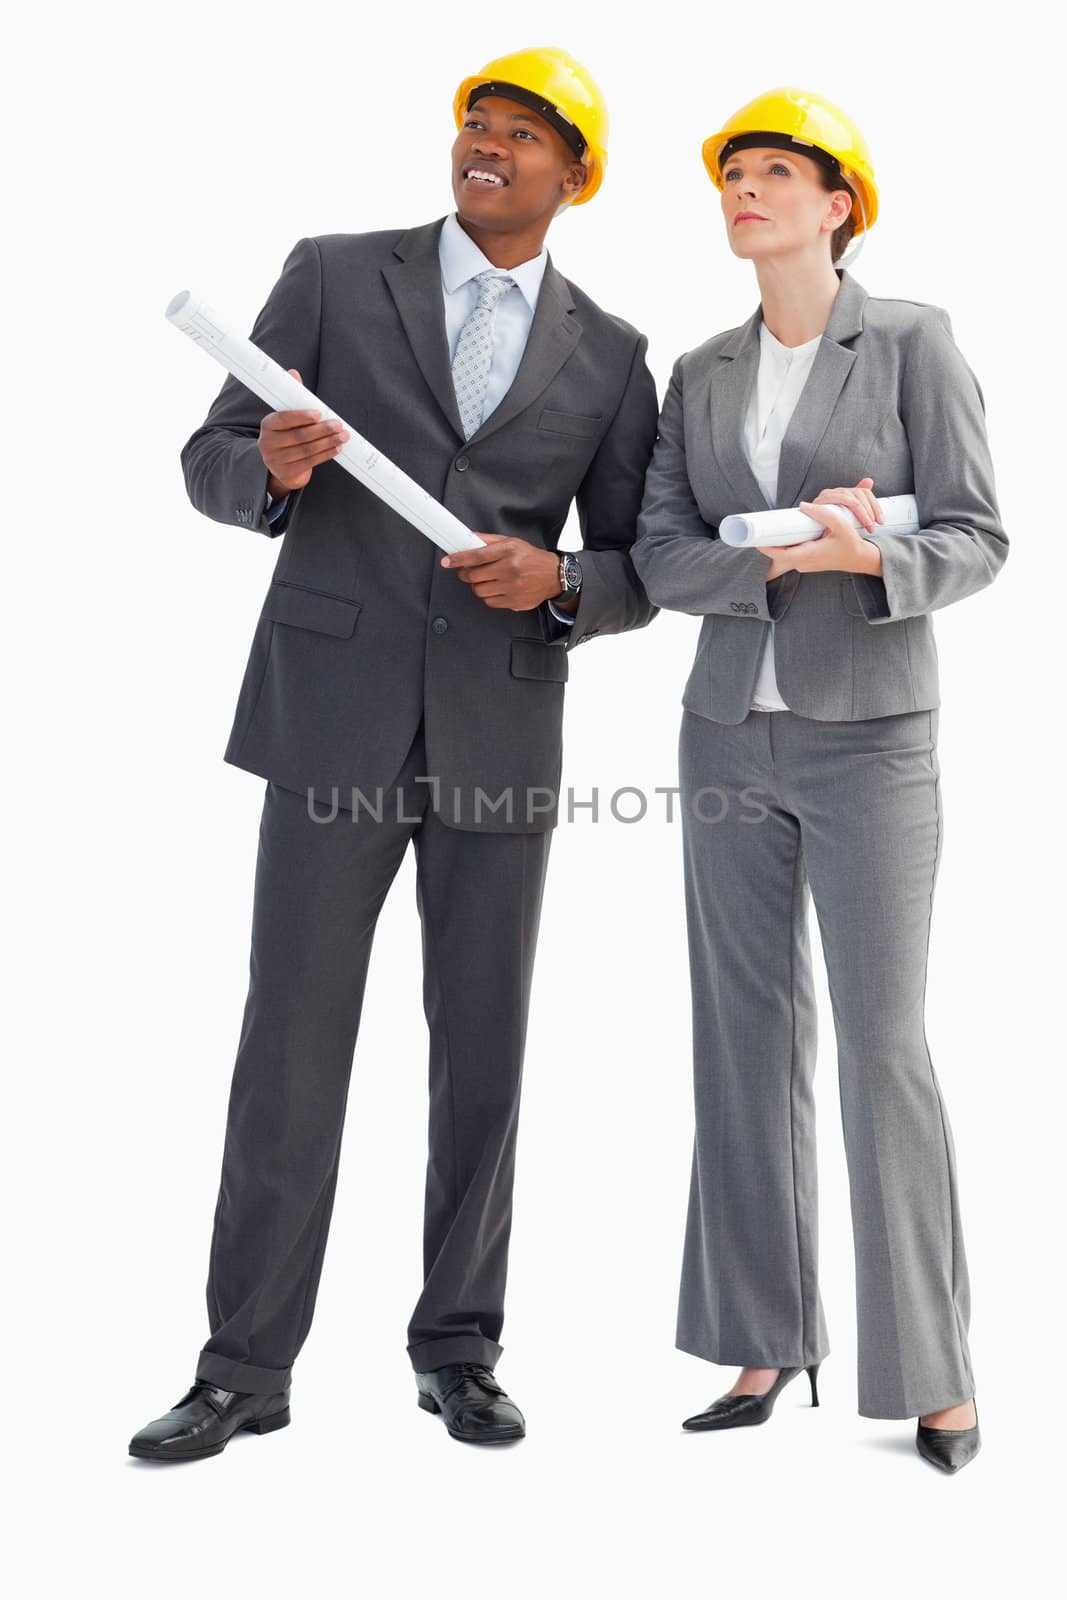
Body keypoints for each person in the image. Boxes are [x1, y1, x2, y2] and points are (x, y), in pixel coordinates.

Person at [129, 46, 658, 1462]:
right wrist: (276, 470)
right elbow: (212, 456)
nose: (485, 145)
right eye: (474, 125)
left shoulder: (610, 355)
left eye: (521, 134)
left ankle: (459, 1348)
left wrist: (553, 584)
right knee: (289, 1048)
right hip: (331, 715)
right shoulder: (331, 271)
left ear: (573, 177)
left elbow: (638, 561)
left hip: (500, 726)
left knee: (481, 1052)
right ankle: (244, 1366)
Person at [631, 86, 1007, 1474]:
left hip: (873, 739)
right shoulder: (700, 369)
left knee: (882, 1047)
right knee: (740, 1041)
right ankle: (762, 1338)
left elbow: (979, 535)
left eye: (774, 171)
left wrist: (871, 560)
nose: (744, 190)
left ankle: (934, 1371)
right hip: (727, 730)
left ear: (836, 200)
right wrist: (784, 556)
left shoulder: (912, 342)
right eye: (732, 173)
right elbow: (665, 554)